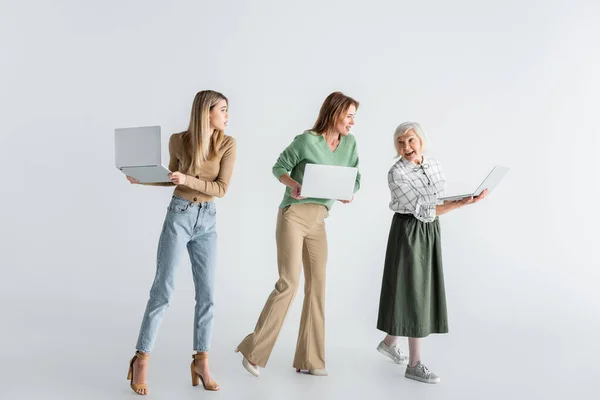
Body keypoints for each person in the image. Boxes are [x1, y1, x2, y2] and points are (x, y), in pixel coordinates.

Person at [236, 92, 361, 377]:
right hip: (294, 215)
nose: (353, 122)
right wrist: (293, 184)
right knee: (288, 284)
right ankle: (253, 352)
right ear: (335, 112)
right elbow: (278, 167)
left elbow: (356, 176)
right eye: (349, 115)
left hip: (319, 220)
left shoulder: (350, 143)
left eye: (354, 116)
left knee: (317, 286)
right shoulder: (306, 140)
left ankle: (310, 359)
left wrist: (348, 192)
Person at [125, 90, 236, 394]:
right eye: (222, 110)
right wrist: (143, 177)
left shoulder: (227, 143)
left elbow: (221, 188)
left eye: (227, 110)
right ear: (206, 112)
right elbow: (173, 177)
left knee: (208, 294)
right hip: (179, 216)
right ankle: (141, 359)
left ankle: (201, 361)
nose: (227, 116)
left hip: (207, 220)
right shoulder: (178, 139)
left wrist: (187, 180)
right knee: (163, 289)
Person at [375, 121, 487, 384]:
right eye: (400, 142)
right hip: (409, 231)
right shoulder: (396, 174)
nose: (406, 147)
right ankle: (414, 364)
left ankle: (390, 343)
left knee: (420, 289)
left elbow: (437, 200)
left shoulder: (433, 164)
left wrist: (466, 199)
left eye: (411, 140)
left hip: (430, 230)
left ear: (421, 140)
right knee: (414, 292)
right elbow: (425, 210)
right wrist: (461, 205)